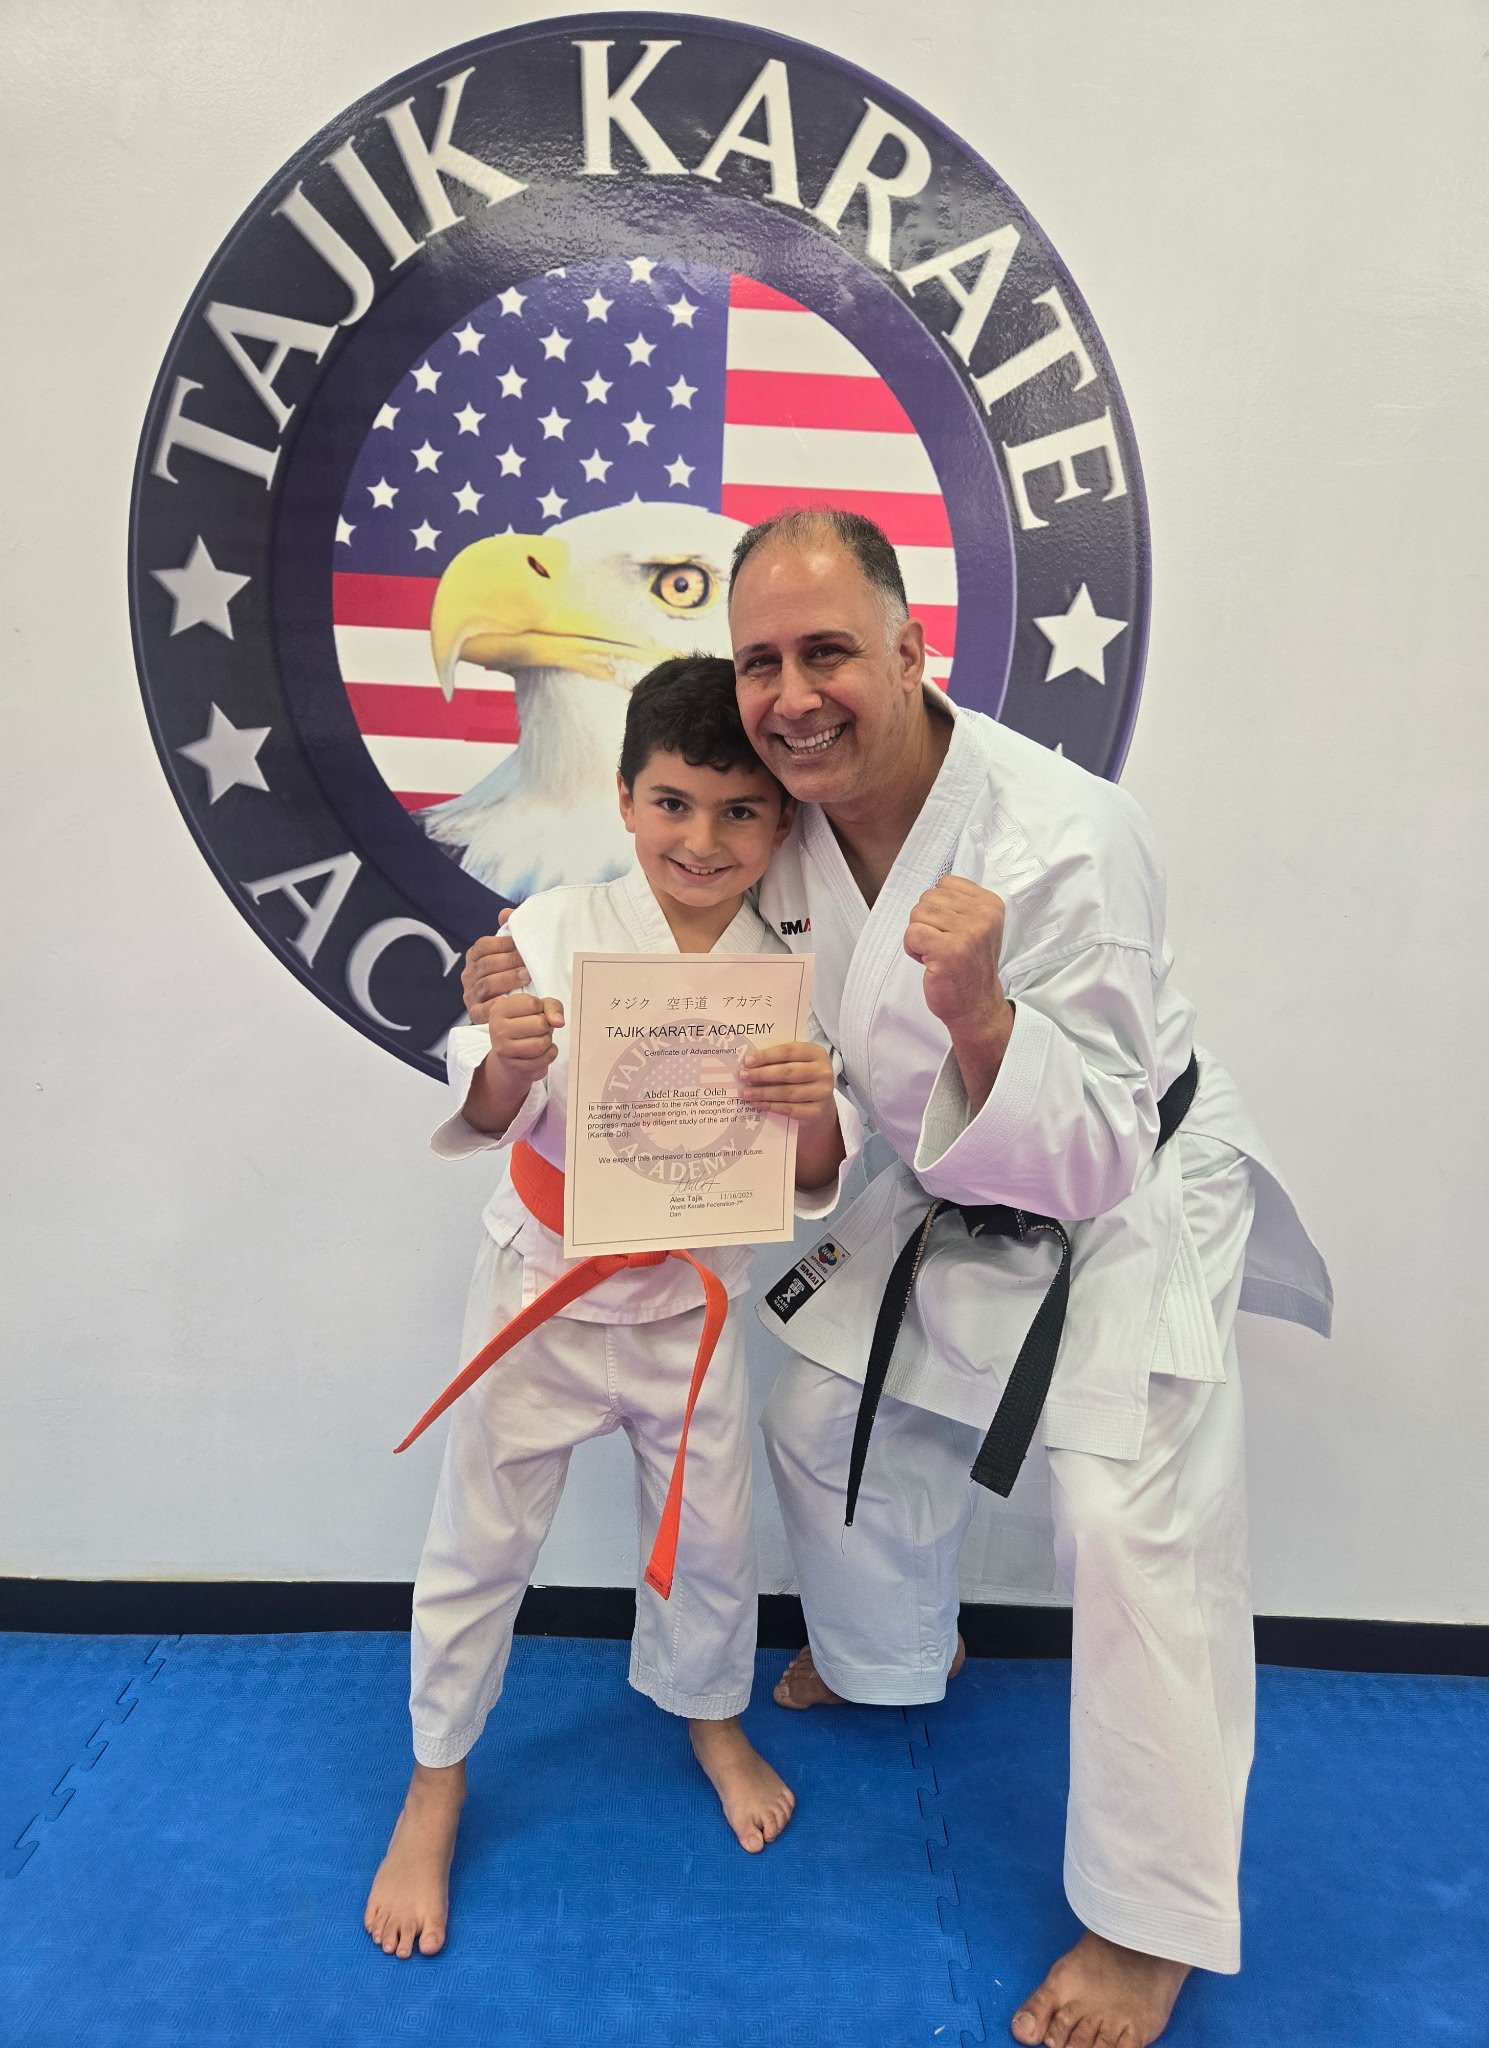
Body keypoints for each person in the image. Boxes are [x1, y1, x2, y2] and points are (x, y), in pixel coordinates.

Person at [459, 510, 1330, 2048]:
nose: (792, 695)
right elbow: (676, 927)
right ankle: (887, 1657)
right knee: (817, 1418)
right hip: (931, 1187)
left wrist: (981, 1011)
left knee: (1135, 1520)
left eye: (828, 652)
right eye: (763, 662)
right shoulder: (784, 818)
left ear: (915, 647)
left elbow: (1092, 1147)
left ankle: (1151, 1923)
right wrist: (521, 1013)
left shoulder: (1069, 837)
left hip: (1118, 1190)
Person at [365, 655, 859, 1962]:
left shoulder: (789, 966)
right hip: (541, 1291)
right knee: (477, 1549)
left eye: (740, 812)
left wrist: (815, 1116)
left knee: (710, 1541)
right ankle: (437, 1780)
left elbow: (816, 1173)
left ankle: (708, 1714)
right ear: (628, 801)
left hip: (689, 1309)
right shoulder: (549, 933)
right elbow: (479, 1107)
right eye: (676, 804)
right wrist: (505, 1068)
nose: (704, 840)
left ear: (783, 823)